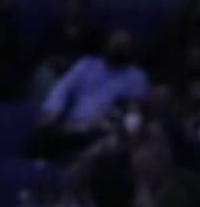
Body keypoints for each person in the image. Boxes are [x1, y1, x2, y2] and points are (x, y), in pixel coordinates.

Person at [34, 29, 150, 159]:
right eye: (116, 42)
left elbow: (133, 112)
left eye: (124, 44)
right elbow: (63, 88)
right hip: (72, 127)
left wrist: (113, 125)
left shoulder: (136, 77)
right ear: (107, 43)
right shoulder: (87, 64)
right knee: (40, 134)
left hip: (103, 131)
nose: (118, 47)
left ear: (131, 49)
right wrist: (53, 110)